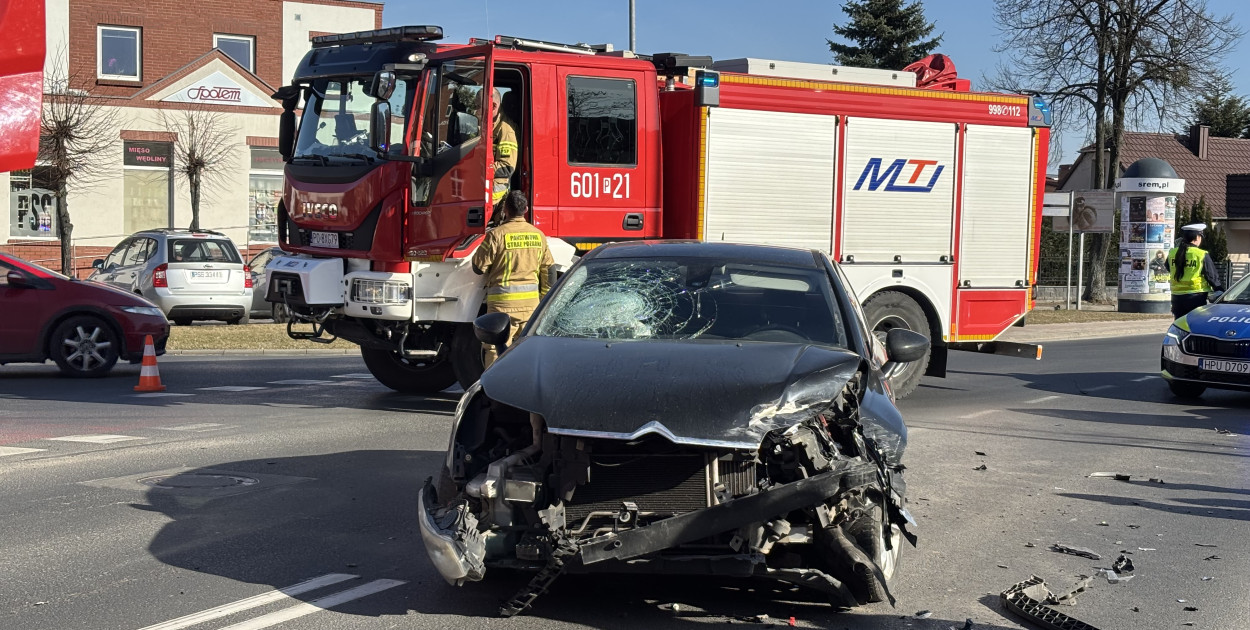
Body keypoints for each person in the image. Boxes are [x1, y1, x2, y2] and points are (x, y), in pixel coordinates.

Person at [472, 190, 552, 367]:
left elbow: (478, 267)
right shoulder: (538, 235)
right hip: (531, 306)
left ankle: (494, 390)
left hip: (502, 307)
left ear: (505, 210)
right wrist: (544, 299)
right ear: (525, 209)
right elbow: (549, 269)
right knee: (527, 349)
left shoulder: (496, 235)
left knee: (495, 348)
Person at [1166, 223, 1224, 318]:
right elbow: (1211, 276)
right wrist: (1220, 290)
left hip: (1176, 297)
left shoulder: (1172, 253)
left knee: (1180, 324)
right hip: (1196, 296)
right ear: (1197, 237)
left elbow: (1168, 267)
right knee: (1195, 323)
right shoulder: (1201, 254)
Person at [490, 88, 519, 225]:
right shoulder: (491, 126)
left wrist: (480, 171)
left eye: (478, 106)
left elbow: (507, 167)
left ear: (494, 106)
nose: (475, 111)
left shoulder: (506, 130)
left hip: (497, 198)